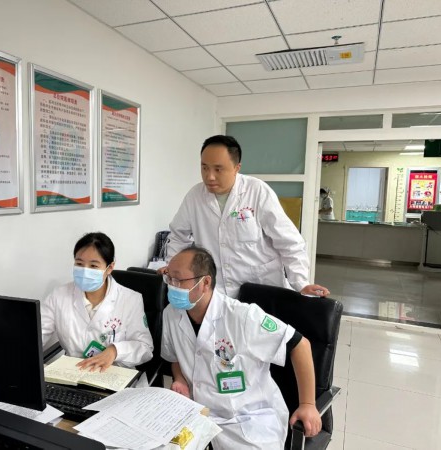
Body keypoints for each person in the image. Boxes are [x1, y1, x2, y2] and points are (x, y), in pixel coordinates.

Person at [161, 247, 321, 450]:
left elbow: (299, 344)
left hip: (248, 420)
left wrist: (308, 405)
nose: (171, 286)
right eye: (168, 278)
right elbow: (174, 356)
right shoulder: (171, 313)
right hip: (198, 413)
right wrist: (180, 378)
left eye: (178, 280)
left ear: (205, 283)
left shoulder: (243, 317)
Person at [164, 135, 329, 298]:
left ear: (237, 168)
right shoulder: (194, 196)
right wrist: (171, 267)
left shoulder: (257, 191)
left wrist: (301, 282)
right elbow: (178, 236)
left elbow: (289, 242)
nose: (210, 176)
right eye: (204, 168)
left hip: (262, 290)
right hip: (218, 293)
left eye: (218, 169)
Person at [40, 232, 153, 373]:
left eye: (93, 266)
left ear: (109, 268)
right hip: (73, 373)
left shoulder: (130, 300)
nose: (85, 271)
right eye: (79, 264)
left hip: (114, 374)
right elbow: (37, 334)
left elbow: (145, 348)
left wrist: (115, 351)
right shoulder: (59, 296)